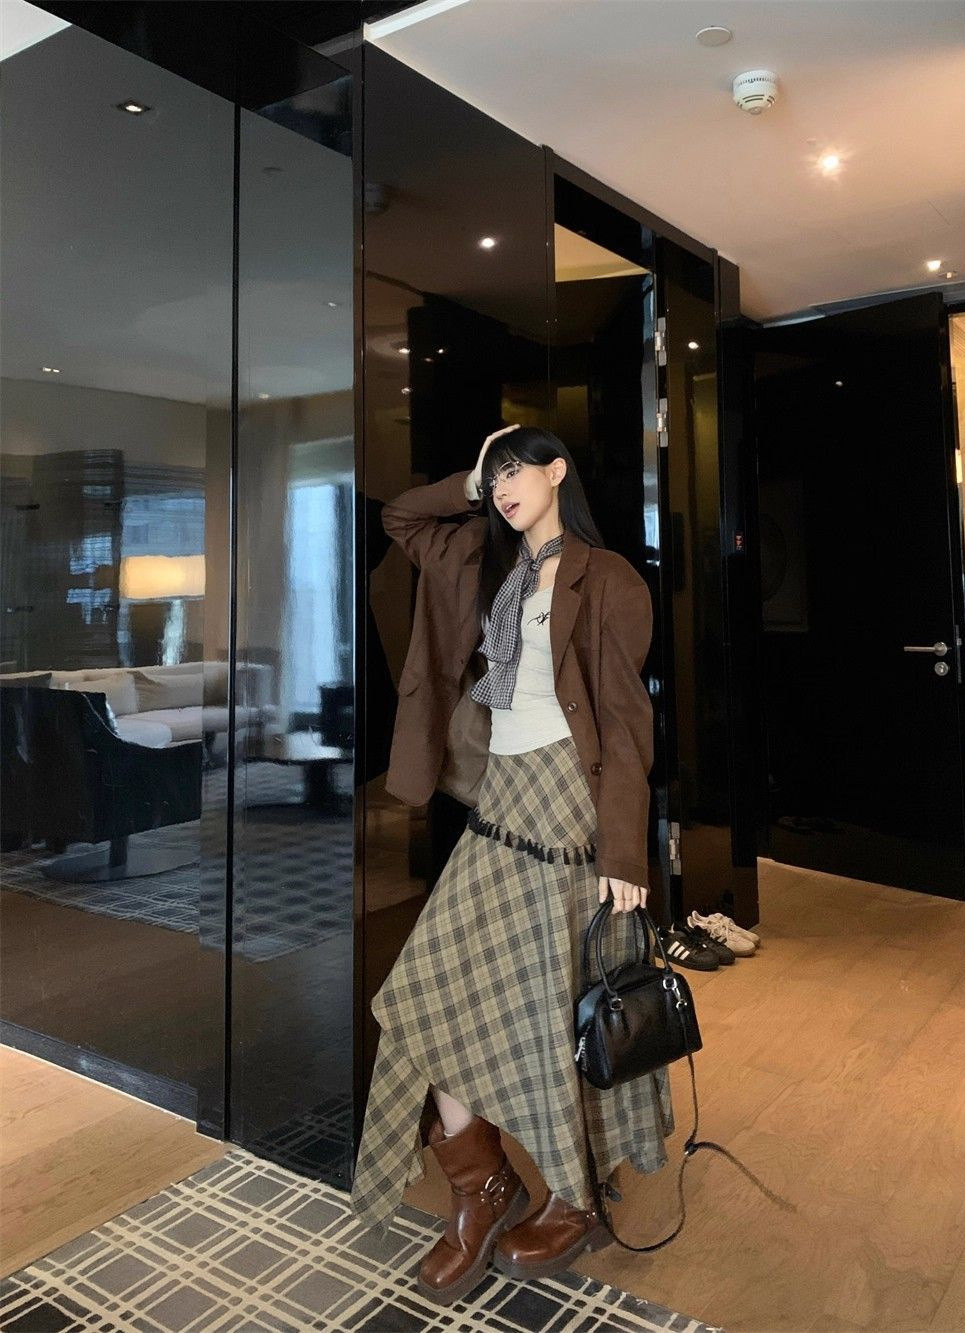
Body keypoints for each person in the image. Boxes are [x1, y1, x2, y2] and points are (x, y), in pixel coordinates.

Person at [349, 426, 674, 1304]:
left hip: (566, 803)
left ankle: (575, 1195)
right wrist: (471, 476)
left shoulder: (608, 579)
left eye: (515, 470)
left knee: (550, 1004)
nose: (501, 487)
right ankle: (485, 1187)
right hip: (498, 800)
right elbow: (399, 518)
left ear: (558, 470)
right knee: (428, 991)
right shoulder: (479, 559)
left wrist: (624, 850)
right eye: (492, 476)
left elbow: (625, 720)